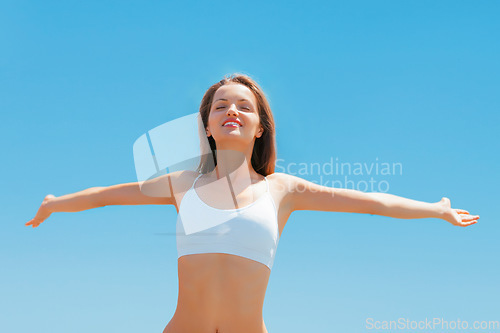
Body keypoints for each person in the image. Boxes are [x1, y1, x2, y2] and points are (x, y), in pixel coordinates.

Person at [25, 73, 480, 333]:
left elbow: (370, 203)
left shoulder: (282, 190)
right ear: (207, 125)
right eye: (220, 106)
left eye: (243, 106)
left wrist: (435, 208)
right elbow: (103, 197)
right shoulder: (181, 183)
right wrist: (53, 202)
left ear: (260, 126)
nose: (231, 112)